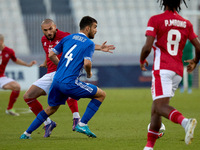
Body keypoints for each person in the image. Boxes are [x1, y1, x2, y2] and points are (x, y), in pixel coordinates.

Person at [20, 16, 105, 139]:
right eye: (95, 27)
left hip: (56, 80)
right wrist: (89, 74)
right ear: (87, 28)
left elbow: (51, 54)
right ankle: (81, 123)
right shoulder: (89, 44)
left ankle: (26, 133)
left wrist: (61, 66)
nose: (96, 30)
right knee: (101, 94)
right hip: (69, 82)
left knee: (51, 108)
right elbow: (87, 63)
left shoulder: (68, 38)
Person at [139, 0, 200, 149]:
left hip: (163, 69)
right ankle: (149, 147)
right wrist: (195, 61)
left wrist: (142, 59)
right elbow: (198, 47)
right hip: (178, 71)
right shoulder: (186, 23)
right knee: (156, 108)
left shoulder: (156, 19)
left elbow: (147, 47)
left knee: (160, 107)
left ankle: (186, 123)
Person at [0, 34, 36, 116]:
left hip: (1, 77)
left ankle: (9, 109)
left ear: (1, 41)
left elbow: (15, 60)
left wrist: (28, 65)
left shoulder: (9, 51)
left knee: (17, 86)